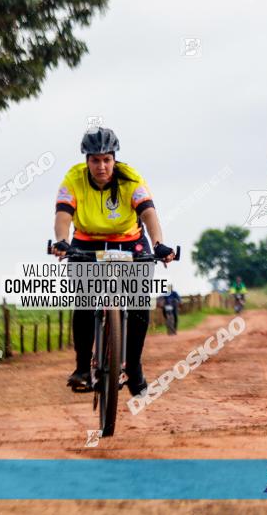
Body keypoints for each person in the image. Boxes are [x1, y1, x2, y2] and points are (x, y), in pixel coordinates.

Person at [52, 127, 175, 394]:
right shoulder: (73, 179)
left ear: (114, 159)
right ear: (86, 160)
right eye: (95, 160)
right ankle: (83, 368)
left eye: (107, 159)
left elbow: (148, 214)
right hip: (87, 241)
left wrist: (158, 244)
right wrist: (61, 241)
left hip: (129, 240)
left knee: (139, 301)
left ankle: (133, 367)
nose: (101, 166)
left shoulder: (131, 178)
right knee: (84, 300)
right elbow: (63, 215)